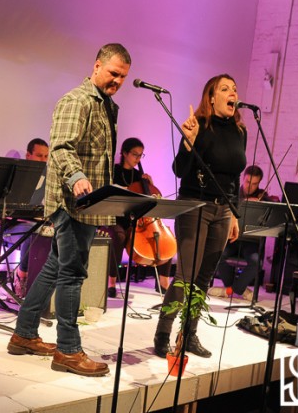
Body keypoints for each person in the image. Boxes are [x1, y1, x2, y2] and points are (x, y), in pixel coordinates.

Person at [7, 43, 131, 377]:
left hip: (89, 202)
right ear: (97, 65)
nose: (117, 81)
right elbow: (61, 148)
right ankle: (68, 350)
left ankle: (24, 333)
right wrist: (76, 177)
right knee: (72, 273)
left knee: (55, 266)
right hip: (71, 201)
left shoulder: (107, 105)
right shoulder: (77, 100)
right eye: (113, 73)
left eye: (123, 77)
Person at [153, 74, 247, 359]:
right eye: (225, 89)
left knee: (204, 278)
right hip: (194, 206)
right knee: (185, 277)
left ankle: (188, 334)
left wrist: (234, 215)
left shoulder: (240, 131)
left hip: (223, 211)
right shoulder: (200, 126)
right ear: (211, 97)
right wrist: (188, 143)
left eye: (234, 89)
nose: (232, 93)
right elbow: (179, 170)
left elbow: (234, 179)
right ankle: (163, 333)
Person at [105, 137, 173, 298]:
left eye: (141, 155)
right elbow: (108, 192)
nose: (138, 158)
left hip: (136, 221)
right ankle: (111, 282)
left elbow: (150, 201)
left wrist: (150, 185)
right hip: (115, 218)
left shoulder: (139, 176)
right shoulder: (113, 171)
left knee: (164, 238)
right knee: (119, 237)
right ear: (124, 153)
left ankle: (163, 282)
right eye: (135, 154)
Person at [208, 165, 279, 300]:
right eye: (247, 182)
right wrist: (243, 202)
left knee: (256, 263)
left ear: (259, 183)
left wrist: (265, 202)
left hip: (251, 243)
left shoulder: (262, 197)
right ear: (243, 179)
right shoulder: (233, 193)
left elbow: (275, 209)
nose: (250, 187)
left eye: (254, 184)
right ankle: (238, 288)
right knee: (217, 255)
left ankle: (230, 290)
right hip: (232, 239)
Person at [11, 138, 49, 299]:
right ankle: (22, 275)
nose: (43, 160)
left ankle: (46, 283)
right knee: (33, 231)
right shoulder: (16, 173)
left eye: (46, 156)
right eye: (39, 156)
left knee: (54, 231)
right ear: (28, 155)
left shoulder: (48, 176)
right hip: (13, 225)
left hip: (37, 223)